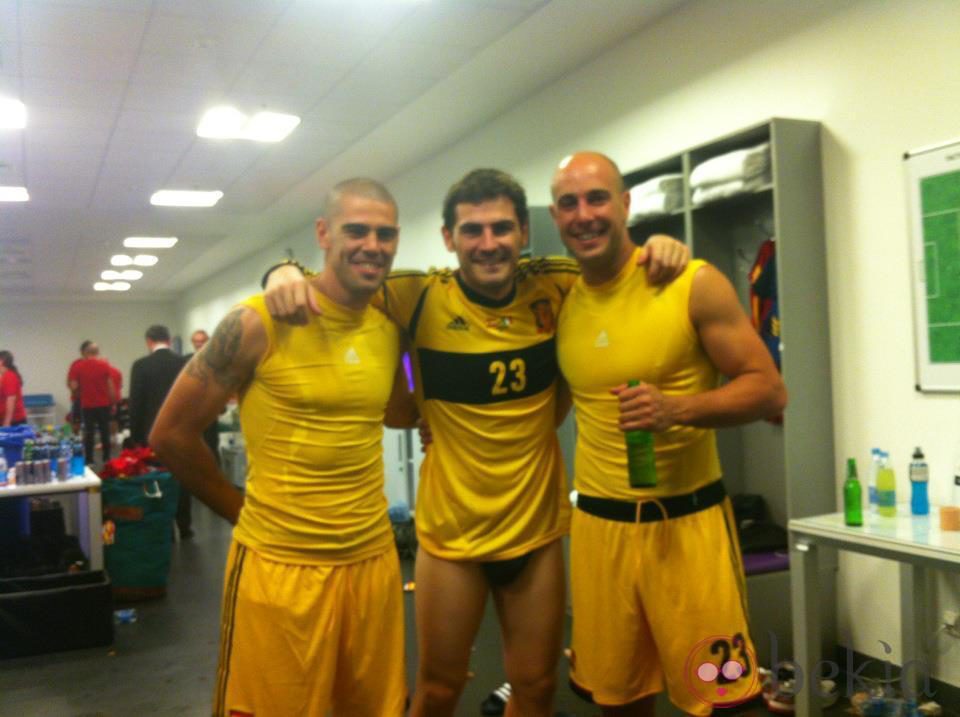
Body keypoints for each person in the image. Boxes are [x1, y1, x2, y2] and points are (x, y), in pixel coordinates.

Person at [262, 169, 689, 716]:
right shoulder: (416, 295)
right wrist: (281, 270)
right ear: (448, 239)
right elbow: (340, 281)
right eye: (472, 231)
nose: (488, 244)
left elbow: (619, 266)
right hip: (451, 539)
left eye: (502, 228)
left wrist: (661, 245)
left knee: (535, 687)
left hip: (535, 537)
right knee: (439, 689)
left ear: (524, 233)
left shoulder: (556, 285)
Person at [150, 178, 415, 717]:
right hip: (281, 568)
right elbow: (170, 435)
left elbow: (399, 413)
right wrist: (237, 508)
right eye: (356, 230)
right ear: (323, 233)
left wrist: (418, 350)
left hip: (372, 563)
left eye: (385, 233)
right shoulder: (256, 322)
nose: (372, 244)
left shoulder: (389, 326)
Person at [550, 151, 788, 716]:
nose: (583, 214)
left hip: (688, 533)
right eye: (568, 203)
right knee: (618, 697)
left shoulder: (689, 281)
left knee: (721, 696)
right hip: (600, 536)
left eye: (597, 197)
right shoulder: (558, 300)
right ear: (556, 218)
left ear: (626, 204)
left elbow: (768, 390)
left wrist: (675, 408)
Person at [129, 325, 190, 537]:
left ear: (149, 341)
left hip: (151, 433)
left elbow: (135, 404)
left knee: (154, 478)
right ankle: (184, 526)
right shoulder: (184, 363)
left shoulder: (141, 366)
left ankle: (161, 526)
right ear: (169, 340)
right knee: (182, 479)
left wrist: (135, 437)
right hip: (180, 431)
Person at [67, 342, 117, 465]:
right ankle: (107, 458)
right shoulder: (104, 365)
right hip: (103, 404)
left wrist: (80, 393)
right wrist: (113, 403)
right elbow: (111, 386)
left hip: (87, 405)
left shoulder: (78, 366)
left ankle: (89, 459)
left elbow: (73, 386)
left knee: (89, 432)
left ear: (85, 352)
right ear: (97, 352)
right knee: (104, 431)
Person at [185, 329, 221, 466]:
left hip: (211, 411)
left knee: (211, 447)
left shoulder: (217, 362)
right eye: (196, 342)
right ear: (192, 343)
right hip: (191, 412)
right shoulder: (185, 362)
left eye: (202, 341)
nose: (199, 344)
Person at [67, 340, 92, 432]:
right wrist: (79, 393)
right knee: (76, 425)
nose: (91, 354)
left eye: (93, 351)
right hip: (79, 400)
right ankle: (76, 443)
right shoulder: (76, 364)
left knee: (91, 427)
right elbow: (71, 383)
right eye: (88, 351)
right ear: (82, 352)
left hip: (95, 402)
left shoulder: (99, 364)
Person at [0, 351, 27, 427]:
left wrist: (7, 423)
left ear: (1, 361)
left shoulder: (9, 376)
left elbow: (11, 401)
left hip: (14, 421)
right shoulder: (4, 376)